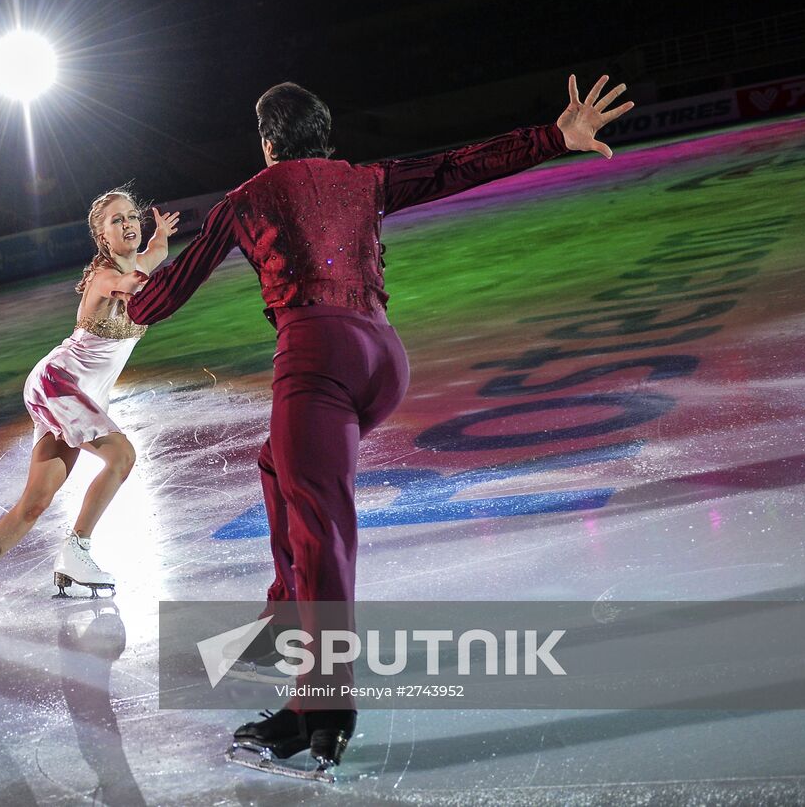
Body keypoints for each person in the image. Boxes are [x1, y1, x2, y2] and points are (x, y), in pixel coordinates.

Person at [120, 75, 633, 780]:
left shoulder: (246, 198)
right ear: (324, 137)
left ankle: (321, 712)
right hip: (382, 359)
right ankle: (282, 619)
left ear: (268, 143)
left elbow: (159, 303)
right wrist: (552, 137)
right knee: (278, 467)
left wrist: (133, 282)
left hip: (318, 362)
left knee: (321, 532)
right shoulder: (364, 179)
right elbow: (454, 166)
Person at [0, 188, 181, 618]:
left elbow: (157, 251)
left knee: (37, 499)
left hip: (72, 393)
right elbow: (127, 285)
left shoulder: (140, 259)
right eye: (116, 220)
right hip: (59, 384)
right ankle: (77, 552)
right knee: (122, 456)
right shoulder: (106, 276)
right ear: (102, 237)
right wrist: (143, 282)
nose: (128, 223)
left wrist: (160, 234)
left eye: (132, 216)